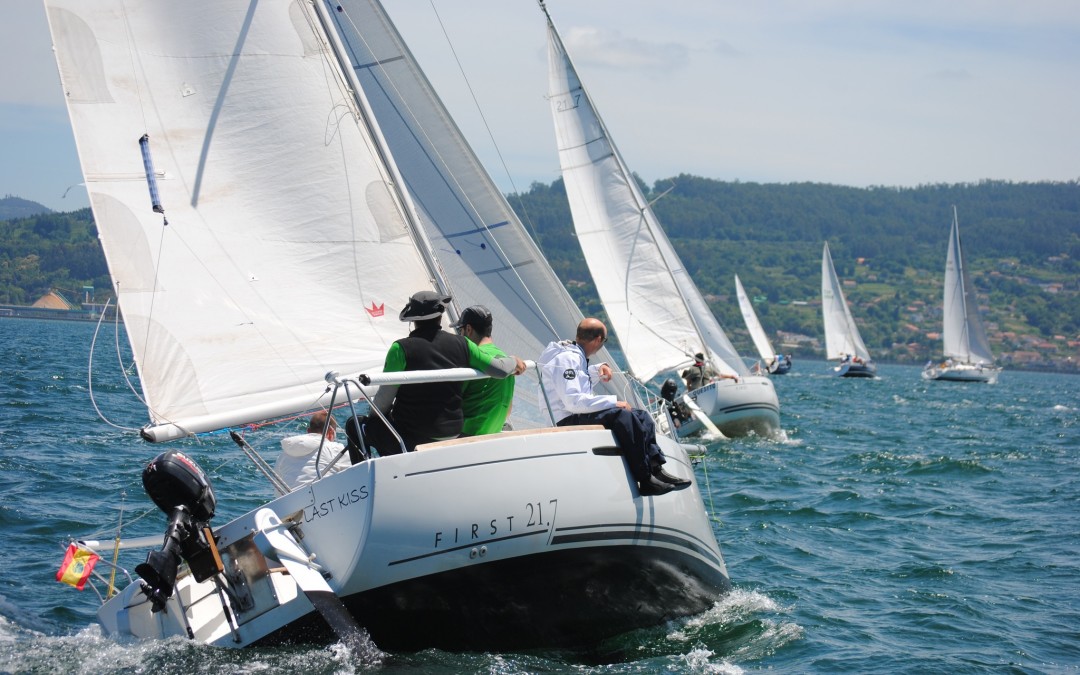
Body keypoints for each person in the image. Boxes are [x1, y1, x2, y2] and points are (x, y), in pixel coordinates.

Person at [537, 318, 690, 496]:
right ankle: (645, 479)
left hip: (574, 413)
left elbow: (577, 380)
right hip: (565, 419)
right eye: (604, 340)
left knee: (641, 415)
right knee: (624, 416)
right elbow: (573, 401)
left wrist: (598, 369)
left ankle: (657, 469)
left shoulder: (574, 356)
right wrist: (613, 402)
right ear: (598, 340)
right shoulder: (567, 358)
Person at [364, 290, 525, 454]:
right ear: (440, 316)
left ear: (413, 320)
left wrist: (373, 420)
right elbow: (500, 370)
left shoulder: (400, 349)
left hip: (413, 437)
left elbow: (382, 403)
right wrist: (514, 360)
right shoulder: (463, 344)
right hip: (452, 433)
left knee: (362, 426)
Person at [453, 305, 516, 436]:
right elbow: (508, 410)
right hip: (492, 436)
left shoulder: (470, 359)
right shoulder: (506, 361)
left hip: (465, 438)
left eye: (460, 330)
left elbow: (452, 403)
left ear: (468, 329)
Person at [274, 410, 347, 495]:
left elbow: (278, 491)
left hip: (291, 502)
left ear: (308, 431)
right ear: (331, 432)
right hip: (323, 500)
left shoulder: (283, 455)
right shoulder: (335, 449)